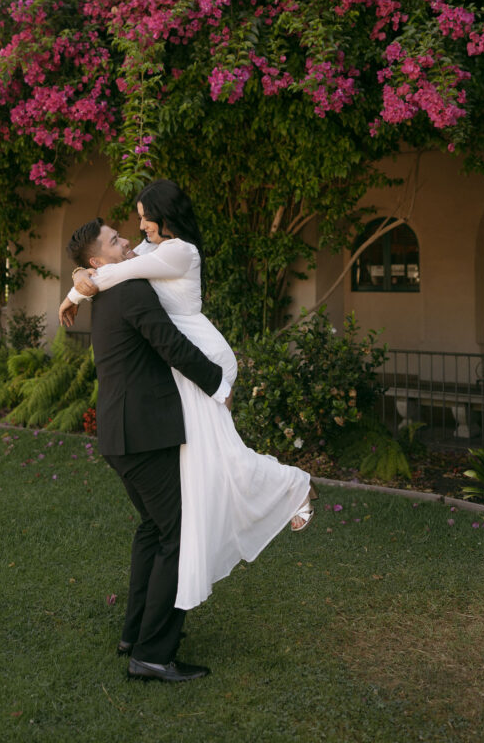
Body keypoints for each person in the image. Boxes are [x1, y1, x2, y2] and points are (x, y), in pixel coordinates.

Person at [59, 180, 315, 617]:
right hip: (181, 363)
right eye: (134, 220)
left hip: (202, 357)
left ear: (165, 215)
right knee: (211, 456)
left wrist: (76, 290)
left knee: (222, 452)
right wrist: (82, 277)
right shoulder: (149, 250)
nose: (137, 226)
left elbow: (115, 271)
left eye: (144, 216)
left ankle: (293, 485)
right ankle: (266, 495)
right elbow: (110, 267)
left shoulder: (181, 251)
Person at [61, 218, 232, 683]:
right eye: (116, 241)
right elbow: (170, 344)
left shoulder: (111, 286)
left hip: (125, 434)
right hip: (142, 436)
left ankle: (134, 633)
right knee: (179, 534)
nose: (128, 243)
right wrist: (218, 384)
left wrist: (79, 287)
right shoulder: (129, 292)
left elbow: (104, 275)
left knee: (154, 530)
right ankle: (153, 654)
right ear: (98, 260)